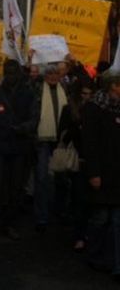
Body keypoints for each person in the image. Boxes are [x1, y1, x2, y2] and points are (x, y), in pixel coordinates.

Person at [0, 60, 38, 241]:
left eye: (13, 72)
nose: (10, 76)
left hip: (19, 147)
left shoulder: (28, 94)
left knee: (15, 187)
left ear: (19, 73)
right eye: (7, 72)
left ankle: (9, 223)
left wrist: (23, 128)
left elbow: (35, 118)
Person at [83, 69, 120, 278]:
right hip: (102, 172)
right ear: (113, 86)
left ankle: (112, 260)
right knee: (101, 217)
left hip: (117, 174)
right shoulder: (94, 108)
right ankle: (95, 254)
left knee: (115, 219)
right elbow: (90, 143)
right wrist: (94, 173)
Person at [59, 80, 94, 251]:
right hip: (77, 160)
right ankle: (79, 234)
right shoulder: (69, 110)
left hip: (91, 161)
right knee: (79, 198)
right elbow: (63, 135)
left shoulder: (95, 111)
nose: (87, 97)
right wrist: (76, 128)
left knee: (88, 200)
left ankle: (85, 232)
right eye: (84, 94)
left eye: (89, 94)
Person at [33, 64, 68, 232]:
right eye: (49, 73)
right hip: (43, 140)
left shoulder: (65, 88)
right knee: (42, 179)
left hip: (61, 140)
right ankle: (42, 216)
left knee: (61, 179)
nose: (53, 76)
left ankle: (59, 211)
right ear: (44, 75)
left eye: (56, 72)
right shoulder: (38, 88)